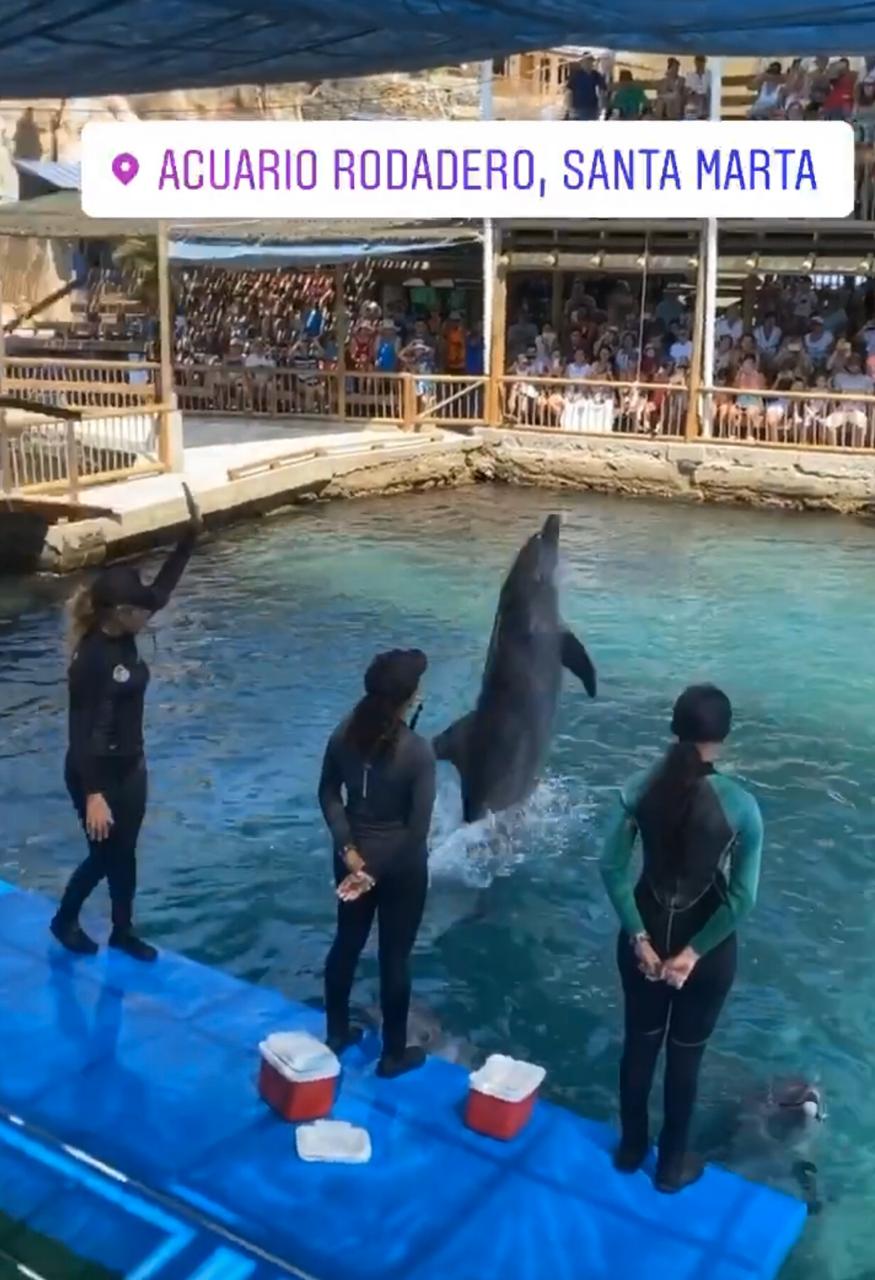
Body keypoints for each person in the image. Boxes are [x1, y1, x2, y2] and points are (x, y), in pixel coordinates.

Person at [600, 685, 763, 1193]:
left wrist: (640, 938)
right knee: (685, 1056)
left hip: (643, 935)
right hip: (706, 954)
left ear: (675, 728)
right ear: (724, 736)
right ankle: (670, 1168)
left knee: (640, 1046)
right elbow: (742, 898)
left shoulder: (637, 789)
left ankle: (629, 1150)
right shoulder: (741, 806)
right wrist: (691, 953)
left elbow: (611, 866)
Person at [51, 485, 203, 962]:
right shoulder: (92, 658)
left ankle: (122, 930)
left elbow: (162, 589)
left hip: (131, 765)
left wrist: (189, 537)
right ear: (120, 613)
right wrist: (94, 794)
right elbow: (79, 730)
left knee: (126, 851)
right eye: (141, 608)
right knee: (103, 854)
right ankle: (64, 920)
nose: (150, 611)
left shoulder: (126, 622)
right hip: (92, 770)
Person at [318, 649, 436, 1078]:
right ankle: (392, 1055)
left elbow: (328, 793)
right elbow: (417, 829)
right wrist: (375, 871)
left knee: (346, 943)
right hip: (399, 869)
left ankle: (335, 1032)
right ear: (410, 697)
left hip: (352, 861)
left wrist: (350, 853)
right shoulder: (418, 753)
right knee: (395, 958)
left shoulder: (343, 734)